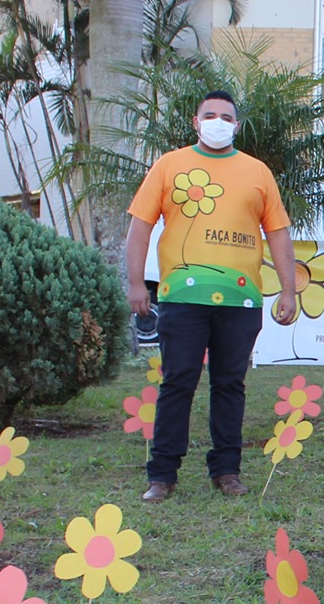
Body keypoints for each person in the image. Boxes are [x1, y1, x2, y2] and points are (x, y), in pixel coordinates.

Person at [125, 90, 300, 502]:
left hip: (240, 302)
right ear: (195, 121)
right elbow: (140, 226)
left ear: (236, 126)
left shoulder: (257, 172)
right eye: (210, 115)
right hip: (182, 298)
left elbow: (277, 233)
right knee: (177, 382)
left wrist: (289, 290)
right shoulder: (169, 166)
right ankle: (162, 475)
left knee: (229, 385)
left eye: (226, 116)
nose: (218, 122)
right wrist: (136, 283)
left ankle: (226, 471)